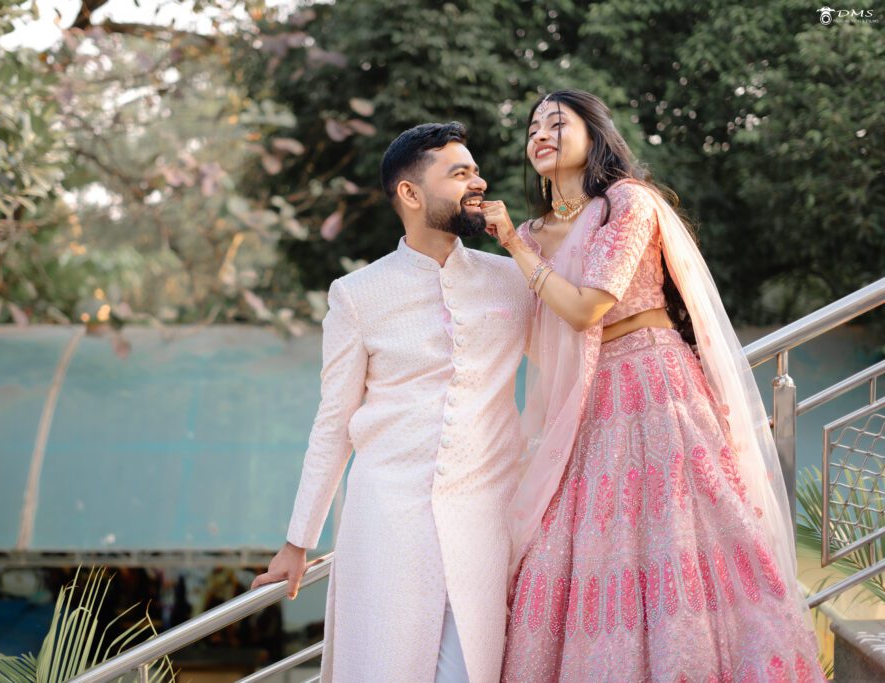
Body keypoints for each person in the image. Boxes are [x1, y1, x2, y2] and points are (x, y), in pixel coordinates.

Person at [482, 90, 823, 682]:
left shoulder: (626, 204)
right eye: (532, 126)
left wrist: (512, 245)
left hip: (655, 381)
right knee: (581, 546)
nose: (539, 133)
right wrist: (519, 244)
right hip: (589, 401)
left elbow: (587, 309)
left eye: (556, 123)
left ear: (595, 135)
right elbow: (548, 339)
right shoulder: (535, 234)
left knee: (680, 536)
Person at [252, 122, 534, 682]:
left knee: (468, 673)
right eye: (459, 173)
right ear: (409, 193)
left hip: (486, 517)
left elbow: (576, 349)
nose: (477, 182)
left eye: (475, 170)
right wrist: (297, 542)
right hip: (387, 521)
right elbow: (334, 425)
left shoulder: (514, 278)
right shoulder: (357, 295)